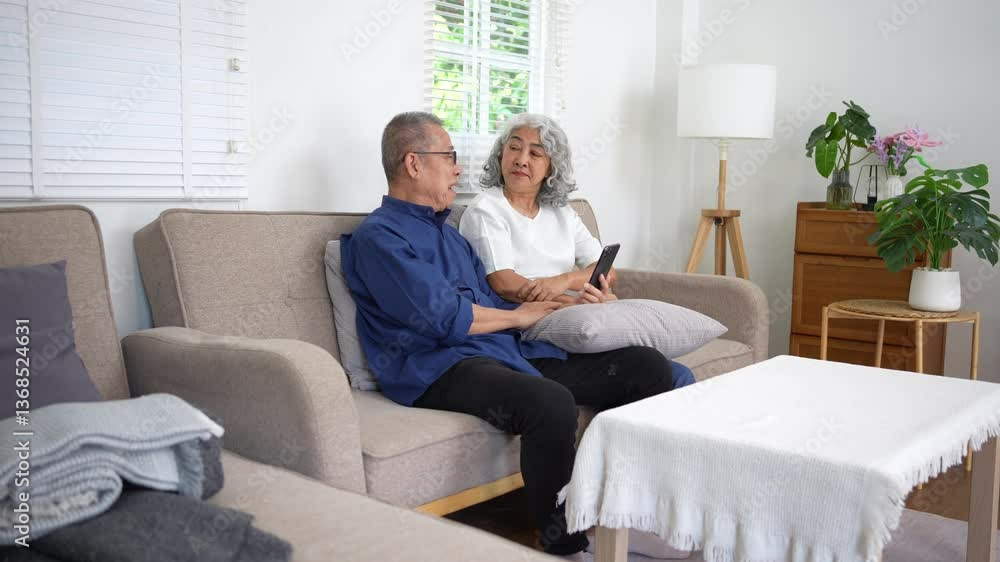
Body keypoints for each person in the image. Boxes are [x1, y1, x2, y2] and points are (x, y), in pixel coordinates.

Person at [340, 111, 681, 558]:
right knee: (550, 402)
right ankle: (564, 545)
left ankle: (632, 517)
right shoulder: (379, 238)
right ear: (413, 163)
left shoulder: (449, 236)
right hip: (437, 368)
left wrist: (560, 306)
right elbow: (444, 318)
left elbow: (493, 302)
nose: (458, 169)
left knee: (647, 368)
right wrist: (520, 317)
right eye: (450, 157)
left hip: (500, 351)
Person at [459, 112, 696, 389]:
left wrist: (566, 281)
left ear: (551, 167)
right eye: (514, 147)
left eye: (535, 153)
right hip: (528, 325)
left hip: (574, 316)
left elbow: (606, 271)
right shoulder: (486, 209)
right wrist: (573, 303)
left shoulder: (561, 211)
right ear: (501, 154)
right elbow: (504, 283)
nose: (521, 159)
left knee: (679, 376)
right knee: (651, 369)